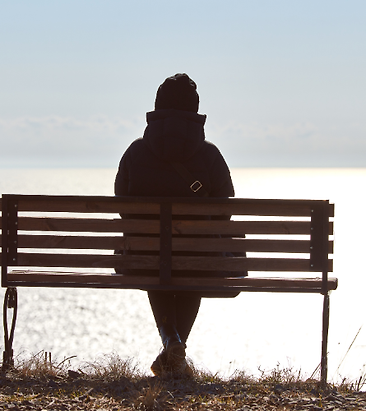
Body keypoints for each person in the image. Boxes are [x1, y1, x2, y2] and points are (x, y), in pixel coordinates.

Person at [114, 73, 238, 377]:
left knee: (157, 266)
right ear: (195, 110)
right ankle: (174, 344)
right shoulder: (209, 154)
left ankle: (171, 341)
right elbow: (226, 208)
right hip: (199, 259)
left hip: (144, 257)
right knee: (192, 266)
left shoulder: (136, 152)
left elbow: (121, 203)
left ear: (158, 107)